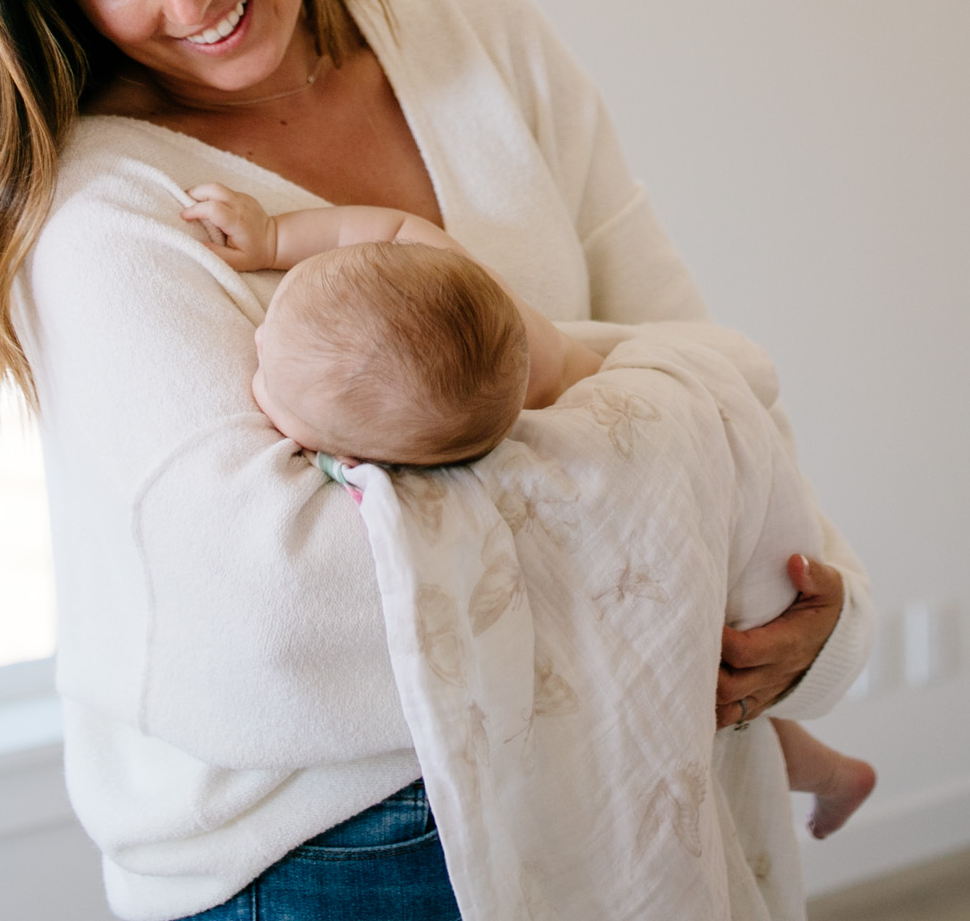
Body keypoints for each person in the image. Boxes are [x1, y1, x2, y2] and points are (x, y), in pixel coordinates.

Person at [0, 0, 873, 921]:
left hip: (643, 747)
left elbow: (710, 363)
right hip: (338, 837)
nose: (187, 0)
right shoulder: (99, 205)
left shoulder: (484, 35)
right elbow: (284, 618)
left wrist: (800, 597)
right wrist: (650, 464)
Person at [181, 179, 878, 840]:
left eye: (270, 375)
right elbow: (392, 228)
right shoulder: (459, 317)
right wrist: (274, 241)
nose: (260, 338)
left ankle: (831, 772)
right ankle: (834, 772)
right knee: (694, 703)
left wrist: (274, 250)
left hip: (662, 451)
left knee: (699, 700)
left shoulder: (441, 438)